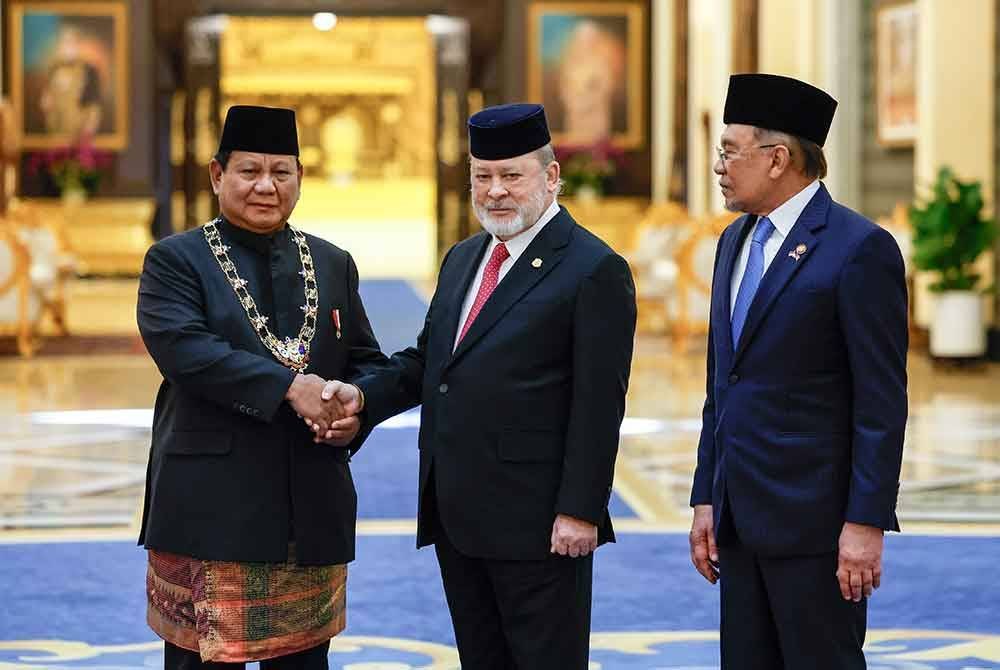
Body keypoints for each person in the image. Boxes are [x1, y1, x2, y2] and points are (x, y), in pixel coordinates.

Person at [316, 103, 637, 669]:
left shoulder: (592, 268)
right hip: (458, 515)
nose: (495, 191)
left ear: (551, 176)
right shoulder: (465, 257)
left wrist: (581, 510)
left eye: (512, 175)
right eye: (482, 176)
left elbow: (599, 404)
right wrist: (363, 397)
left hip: (539, 522)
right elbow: (430, 363)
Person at [136, 105, 385, 669]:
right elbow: (186, 352)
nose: (266, 186)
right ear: (217, 175)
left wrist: (356, 409)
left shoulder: (333, 262)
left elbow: (366, 361)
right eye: (249, 171)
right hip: (210, 506)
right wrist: (290, 388)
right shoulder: (176, 261)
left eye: (281, 172)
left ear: (300, 177)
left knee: (303, 662)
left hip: (308, 503)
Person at [688, 74, 908, 669]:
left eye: (730, 151)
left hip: (817, 529)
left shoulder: (858, 249)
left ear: (778, 158)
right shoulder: (733, 242)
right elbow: (721, 386)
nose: (719, 167)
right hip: (738, 521)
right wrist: (706, 497)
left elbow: (881, 403)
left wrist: (865, 523)